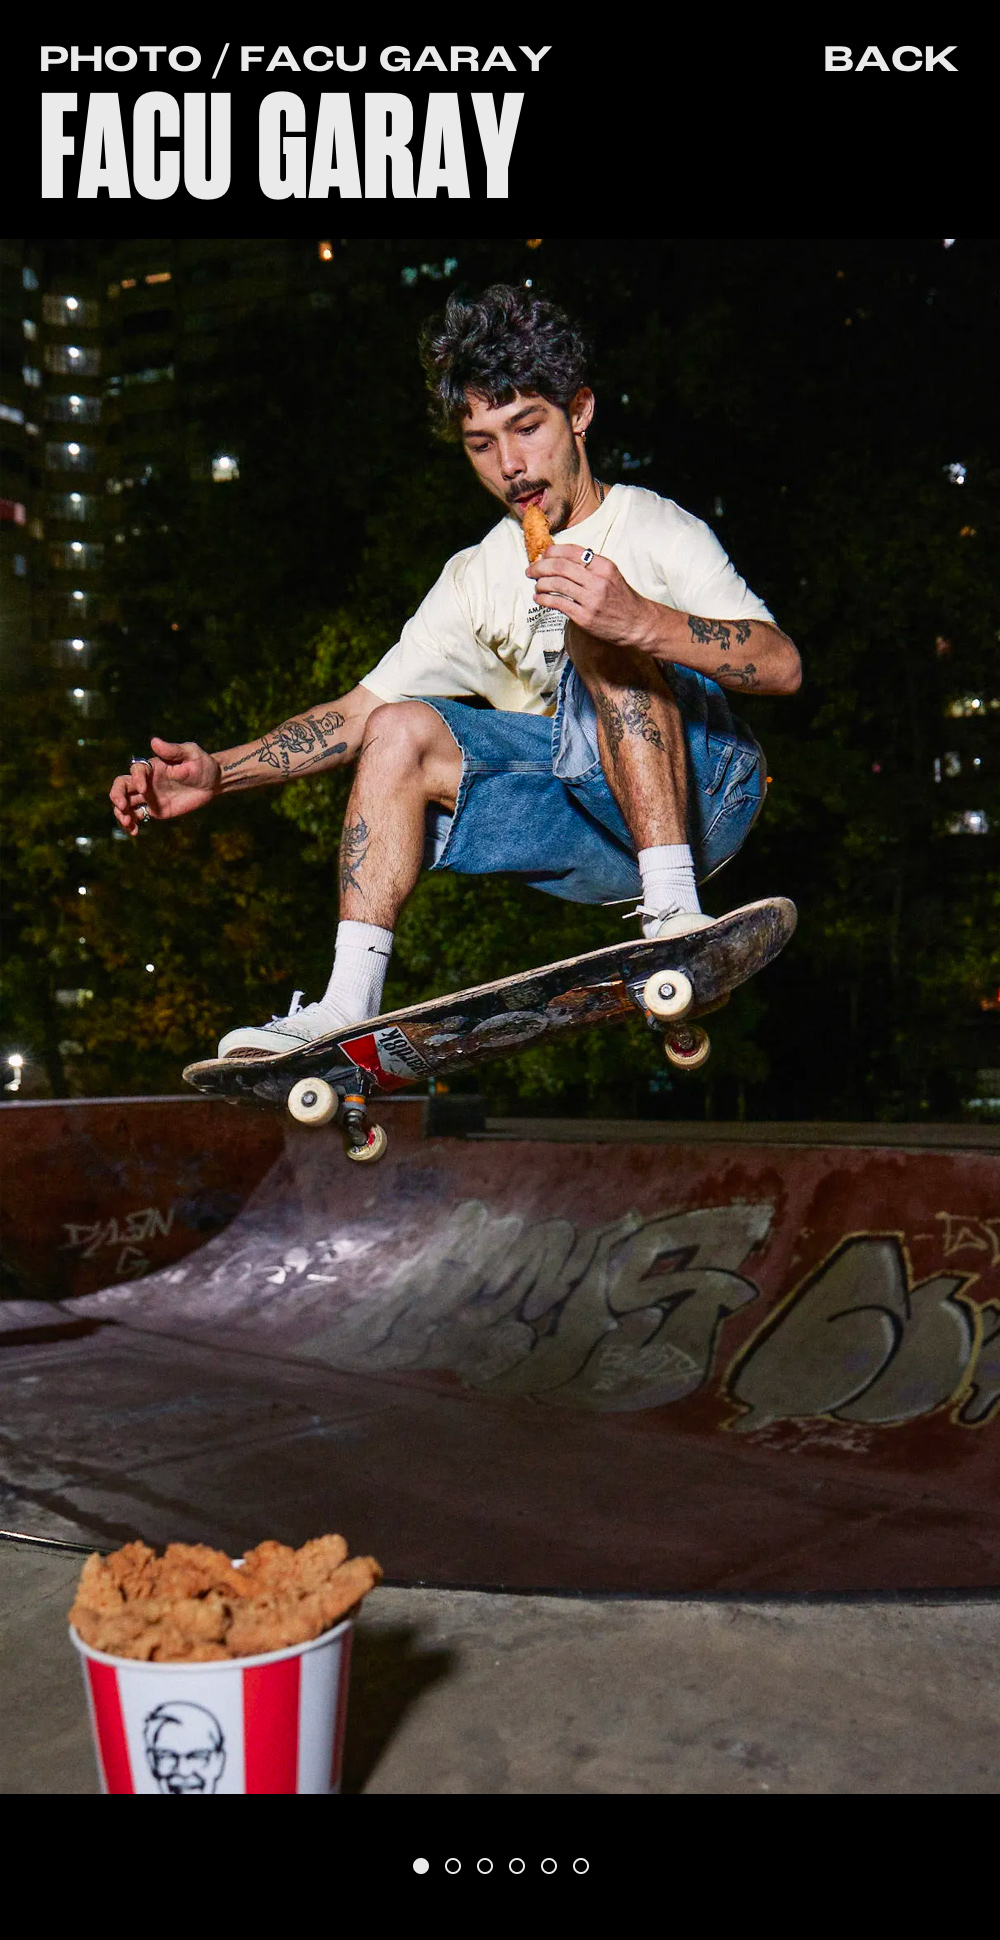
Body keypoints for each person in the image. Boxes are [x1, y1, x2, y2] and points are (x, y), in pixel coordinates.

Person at [109, 285, 801, 1058]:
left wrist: (643, 621)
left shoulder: (655, 525)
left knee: (597, 623)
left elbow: (781, 665)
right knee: (397, 729)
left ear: (579, 411)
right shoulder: (475, 578)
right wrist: (221, 773)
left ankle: (673, 914)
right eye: (481, 444)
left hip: (708, 795)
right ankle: (345, 1004)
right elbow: (354, 713)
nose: (512, 467)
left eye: (528, 428)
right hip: (582, 831)